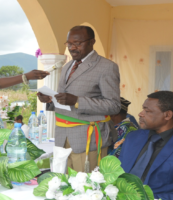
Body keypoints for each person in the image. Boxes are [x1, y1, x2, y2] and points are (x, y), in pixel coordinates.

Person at [37, 26, 121, 172]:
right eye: (69, 44)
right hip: (62, 137)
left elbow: (113, 105)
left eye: (77, 43)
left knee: (85, 188)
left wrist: (77, 101)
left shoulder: (106, 67)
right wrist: (50, 100)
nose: (72, 48)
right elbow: (65, 100)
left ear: (91, 42)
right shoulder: (68, 65)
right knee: (64, 185)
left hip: (88, 139)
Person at [119, 91, 173, 199]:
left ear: (167, 115)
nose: (140, 114)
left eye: (147, 111)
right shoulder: (133, 137)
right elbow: (118, 172)